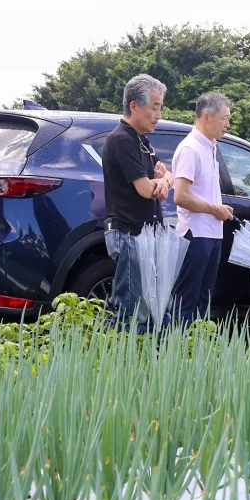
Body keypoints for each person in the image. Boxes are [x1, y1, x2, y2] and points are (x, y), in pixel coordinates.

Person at [101, 74, 173, 332]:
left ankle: (144, 360)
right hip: (129, 233)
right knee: (130, 309)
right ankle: (122, 361)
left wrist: (163, 181)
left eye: (160, 108)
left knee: (150, 304)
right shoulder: (122, 139)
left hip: (145, 234)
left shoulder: (141, 139)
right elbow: (144, 188)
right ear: (134, 105)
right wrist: (161, 182)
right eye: (154, 107)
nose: (158, 114)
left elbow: (167, 175)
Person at [172, 93, 235, 325]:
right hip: (195, 234)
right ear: (207, 116)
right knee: (186, 301)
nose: (228, 124)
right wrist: (214, 209)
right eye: (224, 118)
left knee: (203, 301)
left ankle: (195, 352)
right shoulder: (190, 148)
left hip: (212, 233)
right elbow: (180, 195)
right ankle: (176, 351)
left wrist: (217, 210)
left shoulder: (210, 147)